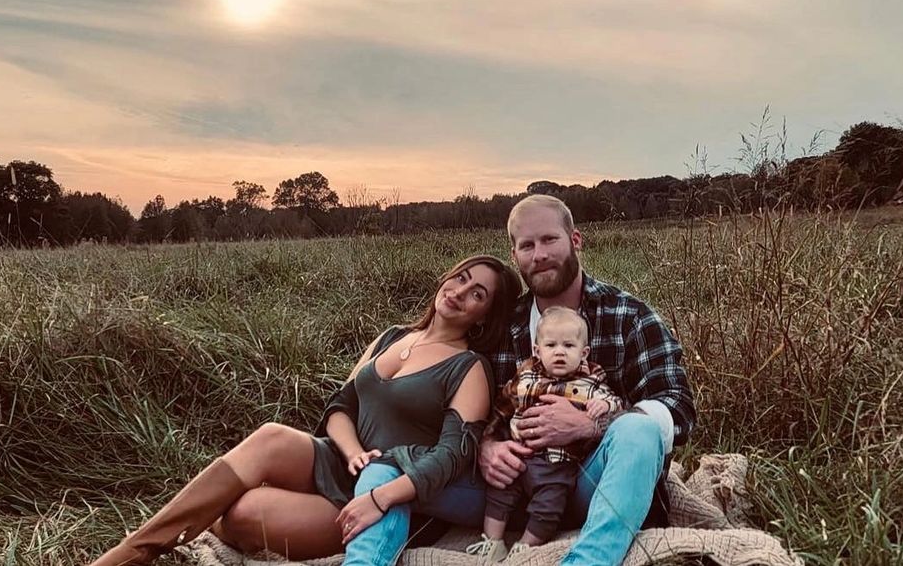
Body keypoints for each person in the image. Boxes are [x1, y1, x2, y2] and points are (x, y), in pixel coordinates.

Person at [89, 254, 522, 566]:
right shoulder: (393, 336)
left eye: (477, 293)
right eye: (460, 279)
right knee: (272, 435)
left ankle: (201, 520)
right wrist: (352, 450)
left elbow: (452, 457)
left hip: (386, 496)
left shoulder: (470, 368)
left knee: (242, 515)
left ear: (485, 316)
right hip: (342, 461)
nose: (460, 292)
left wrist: (379, 493)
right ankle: (134, 551)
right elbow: (341, 404)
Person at [451, 194, 696, 565]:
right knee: (401, 472)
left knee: (639, 431)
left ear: (575, 240)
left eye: (550, 240)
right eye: (527, 245)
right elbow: (474, 406)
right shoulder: (502, 326)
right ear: (514, 255)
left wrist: (591, 424)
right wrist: (486, 448)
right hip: (514, 487)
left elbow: (677, 408)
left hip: (589, 485)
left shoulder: (628, 316)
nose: (540, 254)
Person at [466, 306, 624, 562]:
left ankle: (526, 546)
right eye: (551, 345)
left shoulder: (591, 383)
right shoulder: (524, 376)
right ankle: (492, 542)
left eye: (569, 346)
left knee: (549, 507)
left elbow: (615, 403)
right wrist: (489, 439)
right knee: (499, 492)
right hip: (519, 454)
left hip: (557, 466)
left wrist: (603, 407)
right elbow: (501, 407)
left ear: (584, 353)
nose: (559, 352)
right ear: (537, 351)